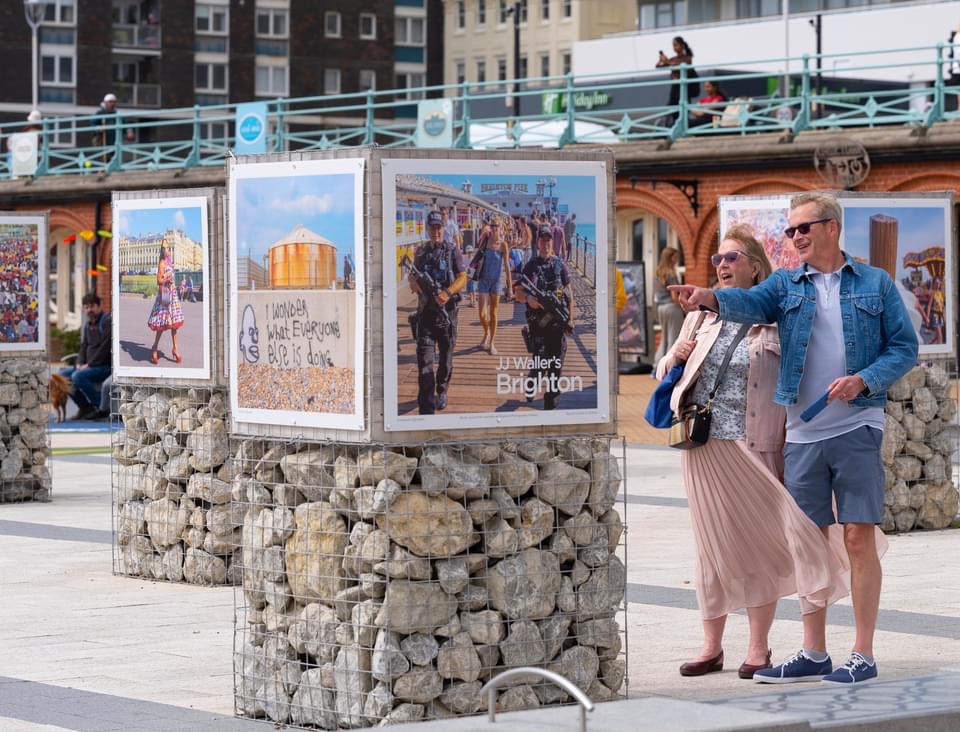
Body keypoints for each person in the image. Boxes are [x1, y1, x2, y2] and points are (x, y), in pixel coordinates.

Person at [670, 192, 919, 686]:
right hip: (801, 433)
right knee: (808, 541)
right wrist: (708, 297)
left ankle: (863, 653)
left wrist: (864, 380)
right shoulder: (786, 284)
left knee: (856, 535)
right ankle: (813, 651)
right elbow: (749, 300)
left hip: (856, 424)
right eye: (790, 231)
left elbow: (904, 348)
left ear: (831, 228)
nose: (795, 238)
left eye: (803, 228)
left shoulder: (875, 283)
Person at [658, 224, 857, 681]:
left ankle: (758, 648)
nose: (722, 266)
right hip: (702, 445)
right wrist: (677, 356)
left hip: (758, 446)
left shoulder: (778, 319)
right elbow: (663, 370)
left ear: (754, 267)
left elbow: (808, 372)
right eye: (717, 261)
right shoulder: (698, 317)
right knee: (710, 549)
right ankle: (710, 647)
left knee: (757, 548)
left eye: (731, 258)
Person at [409, 210, 467, 414]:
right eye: (432, 227)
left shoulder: (452, 251)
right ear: (427, 229)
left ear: (444, 229)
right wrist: (414, 283)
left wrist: (448, 292)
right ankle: (426, 408)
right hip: (425, 315)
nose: (435, 231)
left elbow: (463, 277)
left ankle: (442, 390)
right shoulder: (421, 252)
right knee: (424, 363)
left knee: (445, 359)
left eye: (438, 227)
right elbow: (411, 275)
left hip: (447, 315)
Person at [514, 226, 575, 410]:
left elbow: (569, 293)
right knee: (540, 366)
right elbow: (517, 292)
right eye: (543, 240)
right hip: (538, 327)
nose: (546, 243)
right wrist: (528, 299)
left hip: (557, 327)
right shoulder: (531, 265)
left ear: (552, 242)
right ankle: (532, 383)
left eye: (549, 240)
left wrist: (570, 320)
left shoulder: (560, 265)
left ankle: (551, 408)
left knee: (555, 370)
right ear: (538, 242)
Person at [61, 293, 112, 421]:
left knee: (77, 376)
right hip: (88, 366)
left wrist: (89, 365)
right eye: (86, 307)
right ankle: (85, 407)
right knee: (61, 376)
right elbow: (83, 347)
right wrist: (79, 363)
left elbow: (105, 348)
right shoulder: (87, 325)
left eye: (92, 306)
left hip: (104, 367)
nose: (89, 310)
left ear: (99, 306)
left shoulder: (106, 322)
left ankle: (101, 407)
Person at [475, 218, 512, 355]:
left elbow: (507, 266)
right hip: (483, 280)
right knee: (482, 314)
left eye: (497, 226)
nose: (494, 228)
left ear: (501, 227)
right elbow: (477, 255)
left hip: (496, 281)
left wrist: (510, 287)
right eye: (492, 226)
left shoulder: (503, 245)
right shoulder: (485, 240)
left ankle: (491, 342)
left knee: (493, 313)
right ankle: (487, 333)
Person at [147, 240, 185, 365]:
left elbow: (171, 277)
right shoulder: (162, 263)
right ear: (163, 251)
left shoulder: (169, 262)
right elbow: (158, 280)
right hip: (165, 296)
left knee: (174, 325)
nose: (169, 251)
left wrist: (171, 279)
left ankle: (175, 348)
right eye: (167, 249)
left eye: (169, 248)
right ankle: (154, 347)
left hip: (172, 294)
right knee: (163, 325)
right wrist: (166, 278)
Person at [653, 246, 685, 364]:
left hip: (660, 308)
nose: (677, 260)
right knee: (674, 338)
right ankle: (670, 366)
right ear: (671, 258)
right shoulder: (671, 273)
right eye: (676, 257)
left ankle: (657, 366)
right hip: (671, 307)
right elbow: (674, 296)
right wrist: (683, 308)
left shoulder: (658, 272)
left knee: (664, 338)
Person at [656, 36, 697, 126]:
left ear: (682, 46)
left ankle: (684, 126)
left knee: (683, 108)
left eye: (676, 45)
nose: (675, 47)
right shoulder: (673, 59)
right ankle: (674, 125)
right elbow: (658, 66)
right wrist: (661, 60)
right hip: (675, 87)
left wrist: (668, 62)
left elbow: (681, 66)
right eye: (673, 45)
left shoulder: (687, 58)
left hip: (683, 87)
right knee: (673, 107)